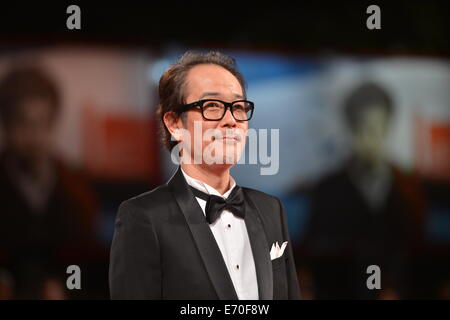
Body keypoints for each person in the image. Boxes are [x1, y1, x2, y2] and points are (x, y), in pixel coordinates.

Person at [109, 51, 300, 300]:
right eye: (212, 106)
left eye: (239, 107)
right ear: (174, 123)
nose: (231, 120)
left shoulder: (271, 210)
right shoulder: (143, 217)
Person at [302, 82, 425, 299]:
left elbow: (419, 252)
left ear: (388, 127)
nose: (371, 139)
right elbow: (314, 254)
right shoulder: (327, 189)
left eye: (379, 128)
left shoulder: (409, 188)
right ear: (350, 129)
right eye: (363, 129)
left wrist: (395, 289)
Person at [0, 65, 99, 299]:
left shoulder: (76, 185)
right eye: (23, 122)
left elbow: (88, 259)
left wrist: (65, 288)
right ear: (6, 124)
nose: (34, 135)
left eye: (42, 123)